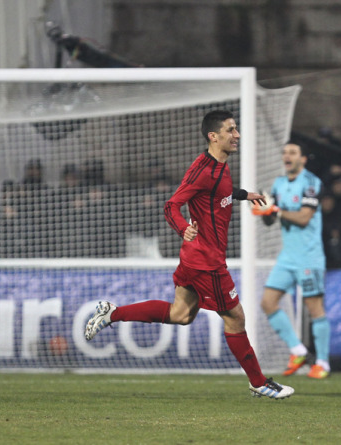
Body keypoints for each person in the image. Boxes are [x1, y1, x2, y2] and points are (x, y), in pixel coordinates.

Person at [84, 110, 294, 399]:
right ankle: (259, 383)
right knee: (235, 318)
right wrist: (183, 228)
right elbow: (171, 205)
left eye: (237, 129)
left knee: (180, 314)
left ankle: (112, 313)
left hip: (196, 257)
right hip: (206, 260)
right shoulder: (202, 170)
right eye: (231, 130)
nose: (237, 135)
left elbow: (219, 193)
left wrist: (245, 195)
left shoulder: (220, 165)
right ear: (214, 136)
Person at [253, 142, 331, 379]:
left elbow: (305, 217)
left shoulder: (310, 182)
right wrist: (264, 210)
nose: (287, 156)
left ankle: (323, 363)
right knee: (268, 302)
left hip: (309, 256)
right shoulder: (278, 184)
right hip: (287, 257)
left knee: (314, 308)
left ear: (303, 159)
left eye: (293, 152)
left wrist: (275, 210)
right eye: (285, 152)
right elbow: (270, 219)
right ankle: (297, 350)